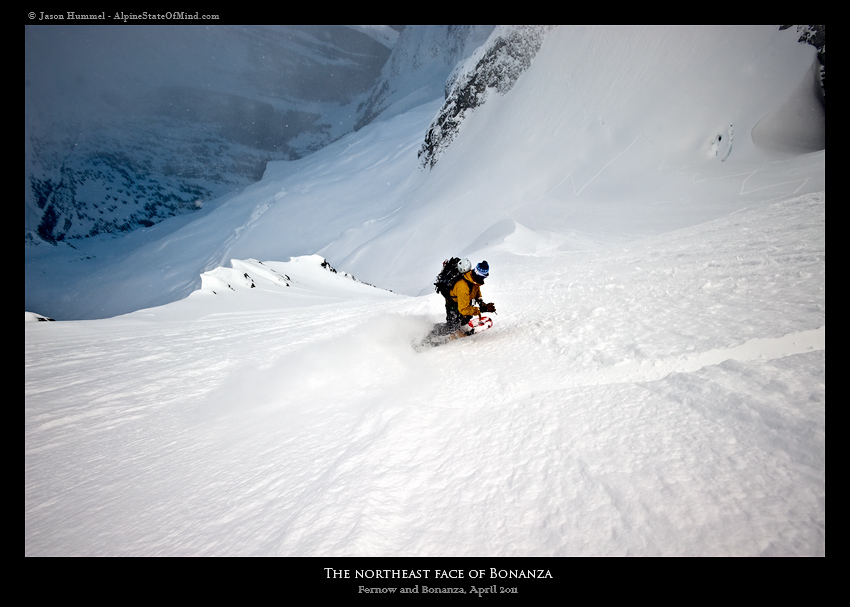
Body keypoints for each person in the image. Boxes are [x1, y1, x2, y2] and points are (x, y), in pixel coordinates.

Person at [437, 260, 496, 337]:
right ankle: (434, 334)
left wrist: (481, 302)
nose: (483, 279)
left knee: (465, 318)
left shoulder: (473, 279)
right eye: (483, 277)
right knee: (452, 326)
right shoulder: (463, 287)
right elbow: (463, 309)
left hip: (463, 300)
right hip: (453, 303)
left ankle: (458, 328)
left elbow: (476, 290)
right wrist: (480, 310)